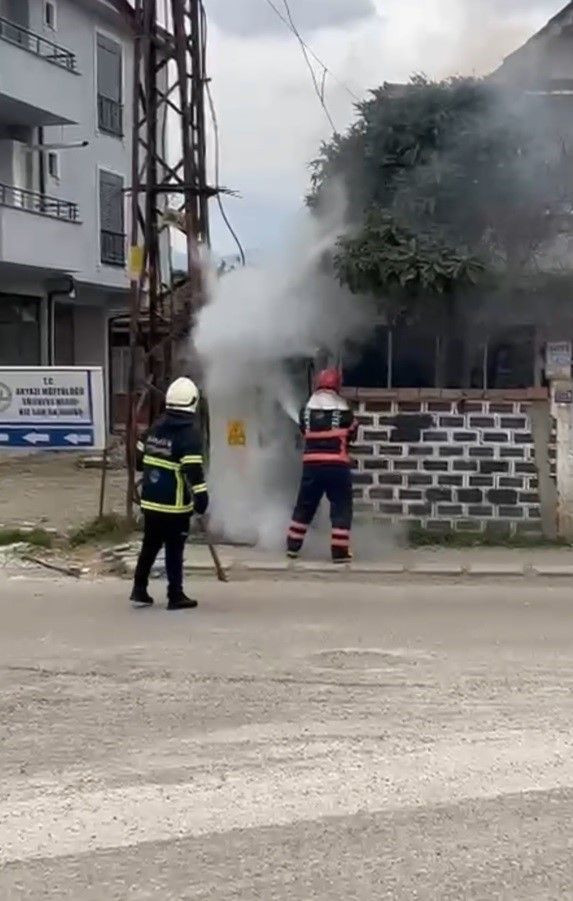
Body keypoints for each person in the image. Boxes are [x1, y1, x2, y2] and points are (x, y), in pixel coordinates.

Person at [131, 376, 209, 610]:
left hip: (150, 500)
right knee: (175, 550)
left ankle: (139, 589)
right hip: (175, 506)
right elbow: (193, 470)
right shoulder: (189, 433)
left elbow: (138, 461)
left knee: (150, 545)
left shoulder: (156, 425)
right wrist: (202, 498)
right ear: (193, 402)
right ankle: (175, 595)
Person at [286, 368, 358, 564]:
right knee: (341, 507)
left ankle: (292, 546)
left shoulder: (305, 412)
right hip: (337, 467)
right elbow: (353, 434)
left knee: (305, 505)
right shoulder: (345, 412)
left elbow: (303, 432)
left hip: (312, 466)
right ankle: (339, 552)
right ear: (337, 386)